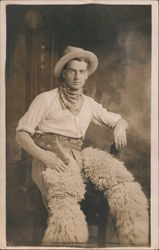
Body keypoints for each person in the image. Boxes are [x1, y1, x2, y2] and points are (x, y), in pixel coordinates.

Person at [16, 46, 148, 246]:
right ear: (64, 73)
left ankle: (134, 240)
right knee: (66, 207)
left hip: (78, 159)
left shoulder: (88, 103)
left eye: (82, 71)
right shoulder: (46, 99)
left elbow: (118, 120)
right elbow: (21, 134)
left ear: (87, 75)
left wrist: (120, 128)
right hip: (51, 160)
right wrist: (45, 157)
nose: (77, 76)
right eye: (72, 71)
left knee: (126, 188)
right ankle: (67, 241)